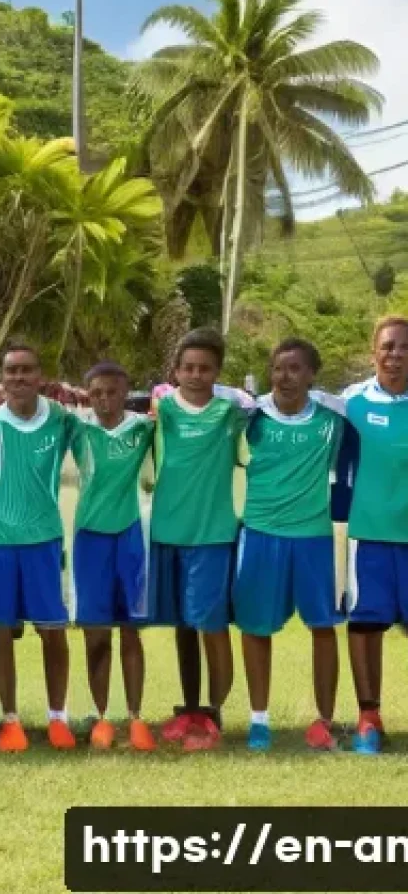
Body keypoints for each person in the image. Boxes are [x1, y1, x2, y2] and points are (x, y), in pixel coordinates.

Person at [232, 339, 346, 752]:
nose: (285, 376)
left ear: (311, 375)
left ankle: (324, 720)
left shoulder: (333, 417)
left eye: (295, 368)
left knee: (323, 627)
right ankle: (259, 720)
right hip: (261, 534)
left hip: (312, 537)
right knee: (255, 627)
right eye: (278, 368)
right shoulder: (252, 415)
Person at [148, 328, 248, 752]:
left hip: (212, 534)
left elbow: (258, 415)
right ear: (175, 371)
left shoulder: (231, 412)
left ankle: (214, 711)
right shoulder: (163, 410)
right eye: (188, 367)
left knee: (211, 626)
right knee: (183, 627)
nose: (195, 374)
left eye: (205, 368)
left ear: (217, 372)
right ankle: (189, 708)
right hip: (168, 533)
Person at [0, 341, 74, 754]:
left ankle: (57, 718)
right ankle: (10, 720)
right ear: (1, 377)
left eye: (26, 370)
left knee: (53, 633)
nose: (18, 377)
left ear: (40, 376)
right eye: (10, 370)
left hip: (45, 540)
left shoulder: (62, 421)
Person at [68, 362, 157, 752]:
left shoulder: (143, 428)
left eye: (112, 392)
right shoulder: (77, 429)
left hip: (130, 537)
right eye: (96, 393)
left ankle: (136, 718)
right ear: (87, 395)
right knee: (95, 634)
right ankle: (102, 716)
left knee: (131, 631)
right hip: (89, 539)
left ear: (126, 392)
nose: (104, 400)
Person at [339, 316, 408, 754]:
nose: (395, 355)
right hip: (370, 535)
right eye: (388, 347)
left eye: (404, 348)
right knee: (366, 625)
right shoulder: (350, 402)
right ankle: (369, 718)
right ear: (374, 353)